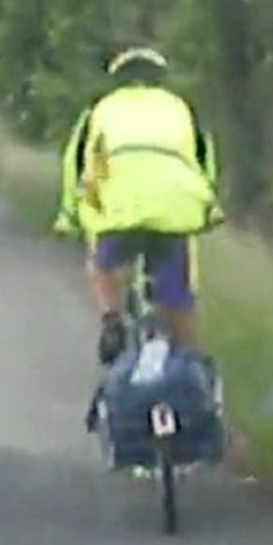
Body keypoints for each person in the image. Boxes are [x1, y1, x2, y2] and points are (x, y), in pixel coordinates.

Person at [53, 46, 224, 368]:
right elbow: (204, 163)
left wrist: (69, 215)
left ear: (117, 80)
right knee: (177, 298)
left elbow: (75, 166)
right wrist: (209, 208)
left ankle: (112, 320)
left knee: (101, 263)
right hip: (176, 208)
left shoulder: (100, 110)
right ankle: (191, 368)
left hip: (117, 207)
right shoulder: (182, 109)